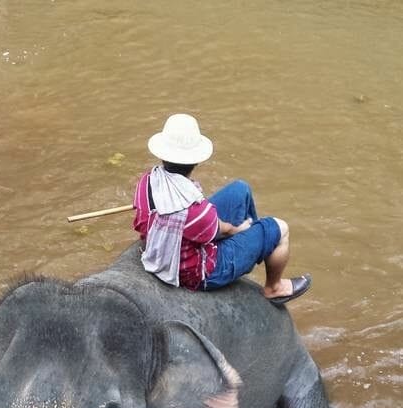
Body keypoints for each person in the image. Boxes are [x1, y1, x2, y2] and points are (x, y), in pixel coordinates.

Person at [133, 113, 311, 305]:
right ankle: (274, 287)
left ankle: (250, 250)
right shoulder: (198, 211)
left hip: (169, 240)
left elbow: (144, 221)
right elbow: (222, 229)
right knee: (281, 228)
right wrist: (240, 230)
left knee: (240, 189)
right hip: (193, 271)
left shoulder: (146, 182)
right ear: (196, 161)